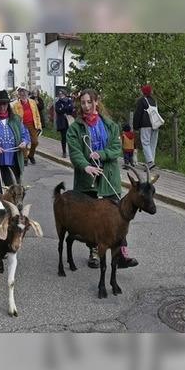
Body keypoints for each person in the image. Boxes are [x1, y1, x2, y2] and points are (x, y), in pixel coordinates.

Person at [66, 89, 139, 269]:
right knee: (92, 219)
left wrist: (102, 154)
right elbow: (75, 152)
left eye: (89, 102)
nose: (86, 106)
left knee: (118, 217)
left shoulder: (110, 126)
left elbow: (116, 148)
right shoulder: (75, 128)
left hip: (109, 177)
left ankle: (121, 254)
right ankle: (95, 253)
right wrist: (86, 166)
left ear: (96, 102)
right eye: (83, 103)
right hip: (87, 179)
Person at [11, 87, 42, 166]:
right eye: (21, 92)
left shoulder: (32, 102)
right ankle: (25, 158)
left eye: (25, 92)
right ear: (19, 94)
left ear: (27, 93)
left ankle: (31, 155)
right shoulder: (16, 105)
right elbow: (14, 117)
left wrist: (39, 125)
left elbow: (37, 114)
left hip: (32, 124)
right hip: (22, 125)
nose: (23, 94)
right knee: (23, 142)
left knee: (35, 142)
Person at [133, 84, 159, 169]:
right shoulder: (154, 101)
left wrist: (135, 126)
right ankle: (151, 162)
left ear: (143, 92)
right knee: (152, 144)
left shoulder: (142, 100)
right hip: (155, 124)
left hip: (146, 124)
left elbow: (138, 114)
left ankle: (150, 162)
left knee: (145, 143)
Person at [54, 89, 74, 158]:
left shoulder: (69, 101)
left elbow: (71, 108)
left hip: (69, 121)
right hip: (62, 122)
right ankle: (64, 152)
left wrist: (63, 108)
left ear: (64, 94)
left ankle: (72, 151)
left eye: (61, 94)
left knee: (71, 137)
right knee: (64, 137)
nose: (60, 95)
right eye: (59, 94)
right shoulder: (58, 102)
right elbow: (58, 110)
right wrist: (66, 108)